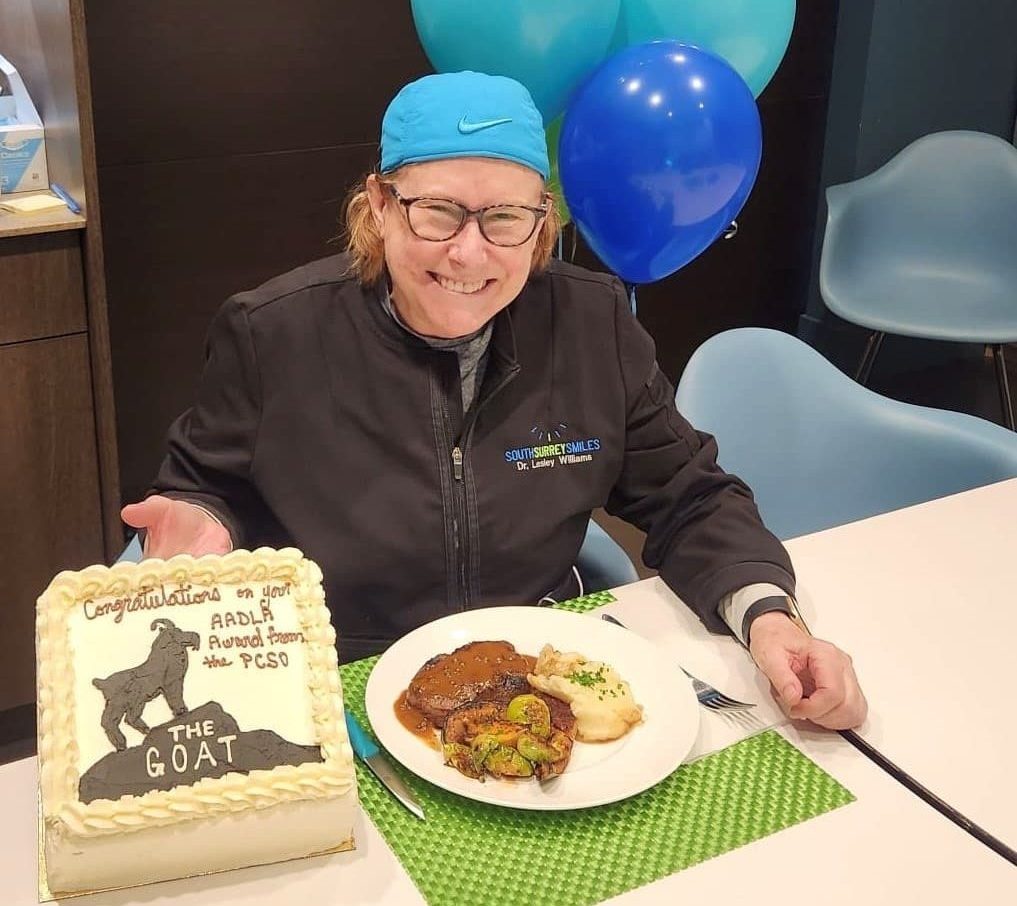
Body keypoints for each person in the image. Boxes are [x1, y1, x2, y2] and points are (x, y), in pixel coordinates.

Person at [122, 71, 866, 730]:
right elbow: (205, 484)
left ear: (541, 223)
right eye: (437, 212)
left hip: (539, 665)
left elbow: (688, 497)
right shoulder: (270, 333)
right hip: (342, 674)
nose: (469, 253)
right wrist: (202, 516)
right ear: (379, 205)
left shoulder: (590, 323)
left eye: (504, 219)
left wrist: (770, 618)